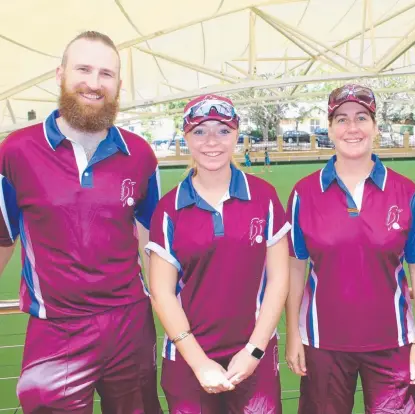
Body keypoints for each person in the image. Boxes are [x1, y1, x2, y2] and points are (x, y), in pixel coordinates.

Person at [0, 31, 162, 413]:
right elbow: (3, 238)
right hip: (56, 327)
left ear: (119, 85)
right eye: (84, 69)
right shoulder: (16, 151)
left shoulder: (139, 153)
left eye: (106, 74)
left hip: (130, 325)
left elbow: (150, 242)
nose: (94, 83)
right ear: (60, 74)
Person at [285, 84, 415, 414]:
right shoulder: (304, 193)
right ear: (330, 128)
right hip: (323, 343)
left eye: (362, 118)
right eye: (342, 119)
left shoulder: (404, 191)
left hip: (392, 344)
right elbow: (295, 267)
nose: (352, 128)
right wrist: (294, 334)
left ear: (375, 127)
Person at [146, 94, 290, 413]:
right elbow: (162, 292)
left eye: (223, 131)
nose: (212, 141)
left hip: (256, 355)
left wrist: (253, 351)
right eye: (200, 131)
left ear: (237, 135)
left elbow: (279, 280)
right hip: (187, 361)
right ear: (186, 138)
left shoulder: (263, 198)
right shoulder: (169, 210)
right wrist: (199, 363)